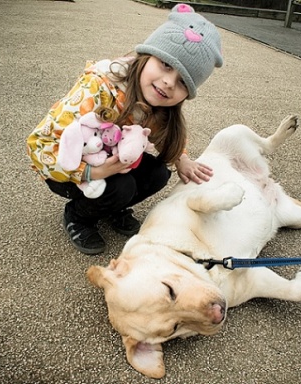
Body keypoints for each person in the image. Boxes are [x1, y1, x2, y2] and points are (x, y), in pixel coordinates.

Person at [27, 3, 223, 255]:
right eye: (165, 64)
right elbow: (39, 145)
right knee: (122, 188)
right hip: (70, 168)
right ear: (146, 54)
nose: (168, 82)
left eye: (183, 82)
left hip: (112, 161)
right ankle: (78, 216)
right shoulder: (98, 87)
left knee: (158, 173)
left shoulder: (159, 102)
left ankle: (111, 206)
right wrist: (91, 172)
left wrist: (182, 158)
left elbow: (165, 134)